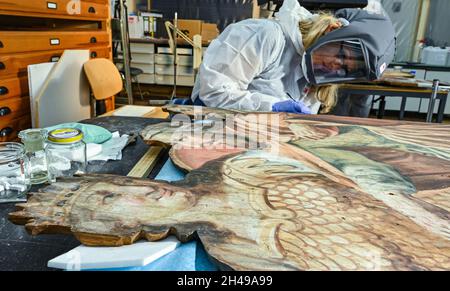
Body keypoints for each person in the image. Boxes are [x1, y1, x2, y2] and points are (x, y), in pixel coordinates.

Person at [190, 0, 396, 115]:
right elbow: (214, 92)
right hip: (212, 132)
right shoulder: (266, 36)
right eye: (342, 54)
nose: (336, 66)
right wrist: (270, 107)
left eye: (346, 69)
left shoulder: (318, 80)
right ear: (333, 29)